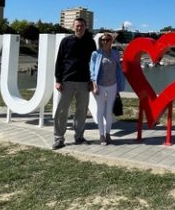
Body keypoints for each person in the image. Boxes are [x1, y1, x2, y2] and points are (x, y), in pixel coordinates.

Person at [53, 17, 96, 149]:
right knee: (62, 111)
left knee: (81, 111)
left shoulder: (90, 42)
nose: (79, 28)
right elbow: (59, 61)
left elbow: (93, 63)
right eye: (77, 25)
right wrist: (58, 80)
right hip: (67, 81)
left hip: (84, 81)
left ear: (85, 27)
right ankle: (59, 138)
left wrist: (92, 81)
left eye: (82, 25)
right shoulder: (66, 41)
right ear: (73, 27)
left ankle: (79, 136)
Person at [89, 31, 125, 145]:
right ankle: (101, 135)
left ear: (111, 41)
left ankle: (108, 134)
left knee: (109, 111)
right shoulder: (96, 54)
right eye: (103, 40)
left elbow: (118, 69)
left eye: (108, 40)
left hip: (113, 85)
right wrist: (94, 85)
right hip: (100, 85)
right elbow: (92, 71)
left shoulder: (115, 53)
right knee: (100, 110)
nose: (105, 42)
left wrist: (120, 84)